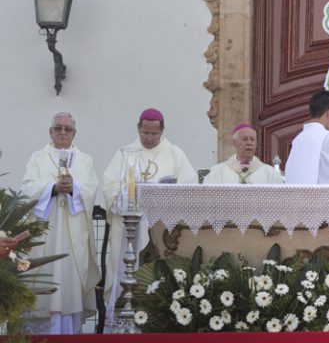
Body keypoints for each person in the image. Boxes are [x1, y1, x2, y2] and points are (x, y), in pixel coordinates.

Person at [102, 108, 198, 330]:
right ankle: (121, 322)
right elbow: (109, 187)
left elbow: (189, 187)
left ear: (162, 131)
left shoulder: (175, 154)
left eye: (154, 134)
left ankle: (158, 323)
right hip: (130, 226)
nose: (148, 138)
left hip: (162, 229)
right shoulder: (124, 154)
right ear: (138, 128)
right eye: (145, 133)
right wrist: (126, 196)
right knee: (127, 268)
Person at [20, 112, 100, 334]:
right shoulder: (38, 158)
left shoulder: (85, 160)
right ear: (50, 132)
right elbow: (26, 189)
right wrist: (52, 189)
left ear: (74, 133)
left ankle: (68, 334)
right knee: (42, 276)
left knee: (70, 281)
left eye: (67, 129)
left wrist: (75, 189)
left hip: (73, 234)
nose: (63, 132)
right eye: (58, 128)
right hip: (44, 235)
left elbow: (92, 189)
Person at [204, 124, 283, 184]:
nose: (249, 143)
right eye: (245, 139)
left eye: (252, 139)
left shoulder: (270, 173)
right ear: (235, 143)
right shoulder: (217, 172)